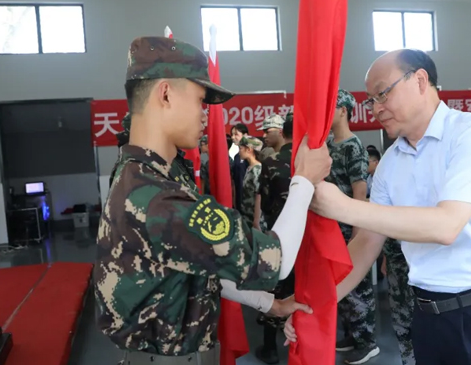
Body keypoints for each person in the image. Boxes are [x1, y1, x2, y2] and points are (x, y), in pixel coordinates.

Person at [94, 36, 332, 365]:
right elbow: (277, 260)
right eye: (200, 100)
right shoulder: (158, 197)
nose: (205, 115)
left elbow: (201, 262)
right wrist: (304, 178)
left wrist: (270, 305)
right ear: (165, 93)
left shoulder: (142, 174)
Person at [286, 49, 471, 364]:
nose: (375, 108)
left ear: (419, 80)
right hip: (427, 315)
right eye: (370, 100)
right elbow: (365, 243)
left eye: (382, 93)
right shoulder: (391, 162)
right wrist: (316, 303)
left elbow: (446, 226)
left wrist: (342, 207)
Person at [327, 89, 379, 364]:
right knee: (341, 283)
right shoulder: (328, 144)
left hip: (349, 225)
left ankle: (367, 340)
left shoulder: (353, 145)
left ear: (344, 110)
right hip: (331, 226)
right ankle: (351, 334)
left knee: (357, 286)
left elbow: (359, 191)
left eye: (332, 107)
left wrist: (357, 231)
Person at [255, 113, 295, 364]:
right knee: (304, 291)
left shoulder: (270, 164)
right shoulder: (308, 162)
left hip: (280, 239)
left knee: (275, 291)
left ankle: (270, 348)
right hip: (308, 241)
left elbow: (267, 204)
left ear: (282, 131)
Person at [238, 136, 266, 230]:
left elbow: (259, 195)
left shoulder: (257, 169)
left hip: (254, 219)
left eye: (241, 148)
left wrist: (256, 220)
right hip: (247, 216)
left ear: (249, 149)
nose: (239, 151)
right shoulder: (250, 168)